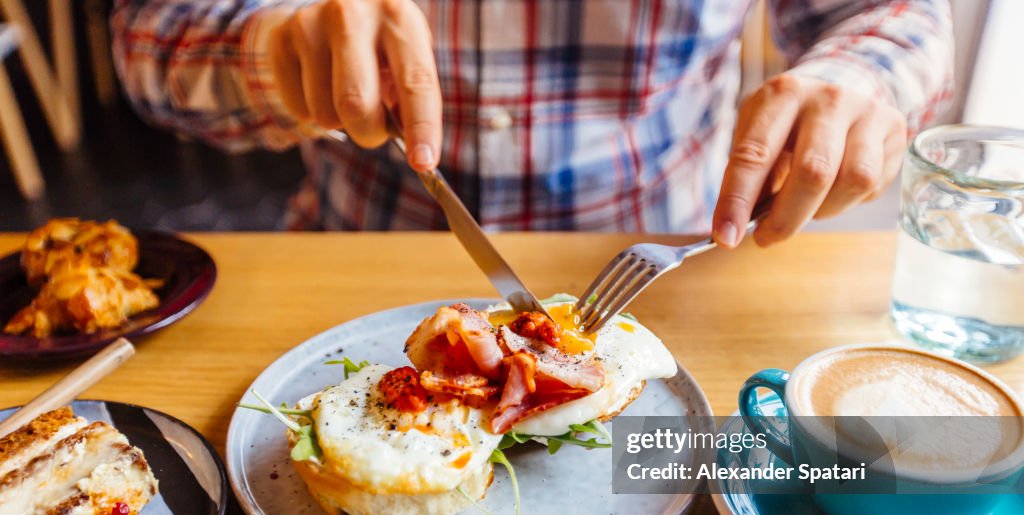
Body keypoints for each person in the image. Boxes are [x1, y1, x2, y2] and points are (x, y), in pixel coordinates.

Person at [111, 0, 952, 244]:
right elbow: (146, 36)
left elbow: (894, 13)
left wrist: (858, 77)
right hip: (351, 273)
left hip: (666, 285)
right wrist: (271, 46)